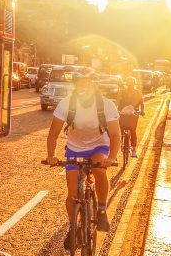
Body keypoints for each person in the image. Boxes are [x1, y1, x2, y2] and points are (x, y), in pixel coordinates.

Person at [45, 71, 123, 233]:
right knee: (72, 194)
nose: (84, 87)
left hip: (98, 146)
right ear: (76, 85)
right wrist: (51, 155)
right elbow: (53, 133)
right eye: (81, 83)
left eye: (88, 83)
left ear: (95, 85)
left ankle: (101, 209)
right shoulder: (67, 104)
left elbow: (115, 135)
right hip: (74, 148)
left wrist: (111, 157)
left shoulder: (106, 105)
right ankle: (74, 227)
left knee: (99, 170)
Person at [117, 79, 140, 159]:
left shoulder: (138, 92)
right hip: (123, 113)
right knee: (119, 131)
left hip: (133, 114)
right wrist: (117, 110)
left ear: (134, 84)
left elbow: (141, 102)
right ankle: (116, 151)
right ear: (127, 84)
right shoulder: (122, 92)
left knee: (133, 130)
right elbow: (118, 101)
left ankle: (133, 149)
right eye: (129, 84)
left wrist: (142, 111)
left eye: (132, 84)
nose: (131, 85)